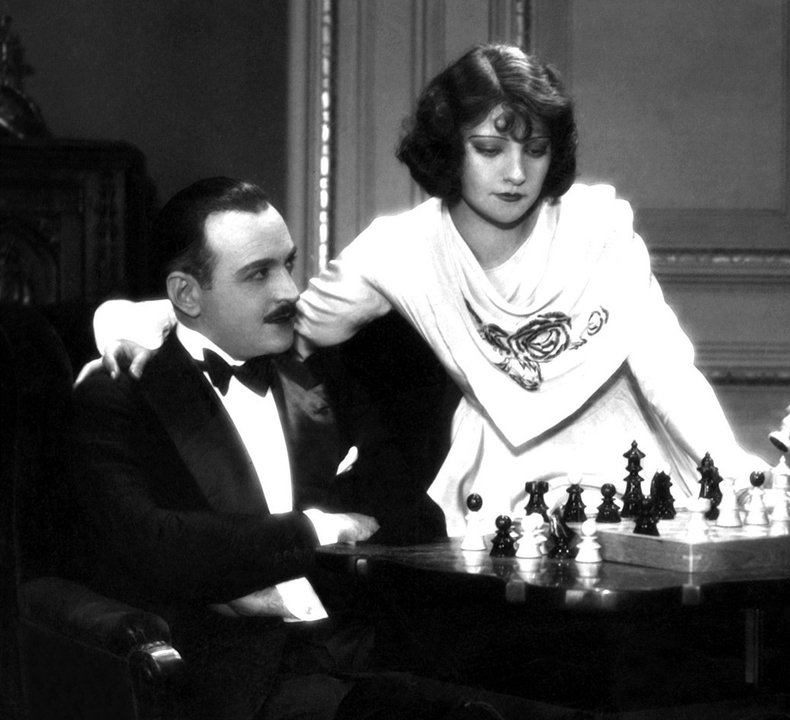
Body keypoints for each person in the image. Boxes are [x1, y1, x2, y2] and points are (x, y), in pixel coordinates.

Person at [94, 43, 761, 536]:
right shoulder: (399, 249)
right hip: (505, 497)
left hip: (629, 475)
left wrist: (736, 477)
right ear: (450, 148)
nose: (516, 172)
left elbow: (666, 367)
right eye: (490, 149)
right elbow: (284, 317)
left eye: (534, 150)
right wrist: (150, 317)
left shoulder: (598, 226)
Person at [68, 177, 515, 720]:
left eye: (288, 264)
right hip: (235, 681)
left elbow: (413, 517)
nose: (289, 291)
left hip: (362, 651)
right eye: (259, 274)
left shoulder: (324, 373)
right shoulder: (119, 397)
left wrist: (237, 568)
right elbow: (152, 546)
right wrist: (315, 530)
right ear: (186, 295)